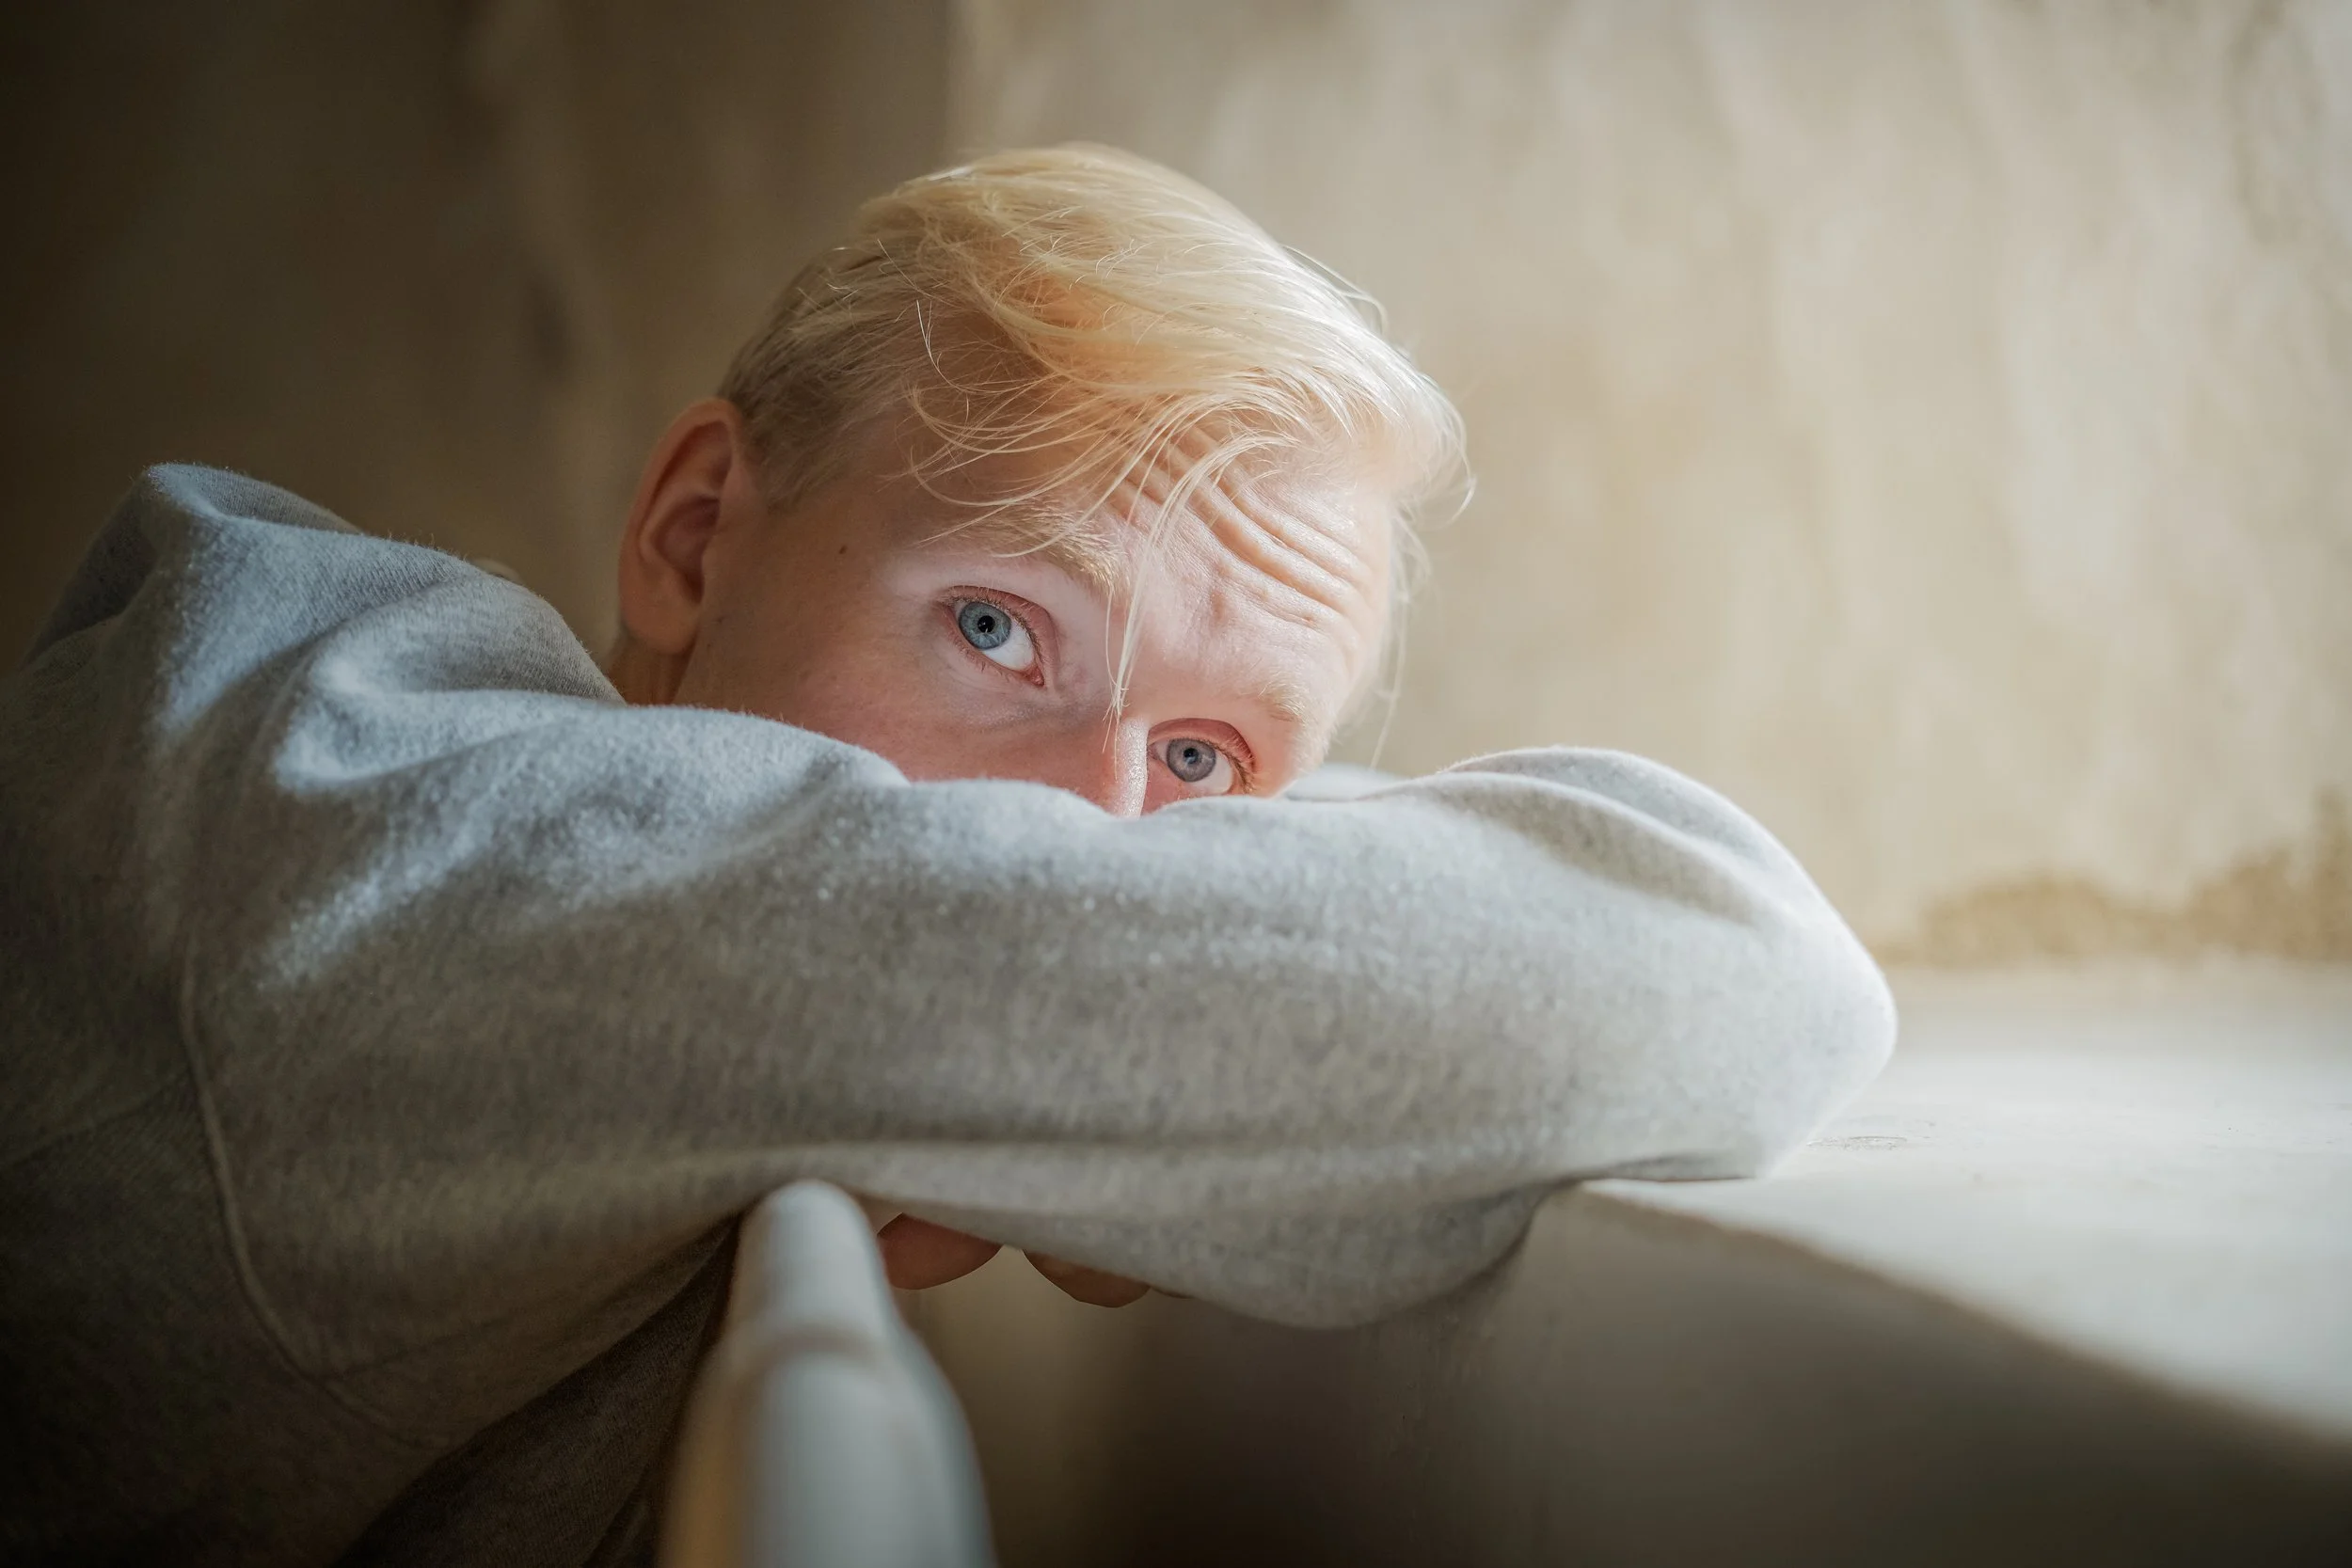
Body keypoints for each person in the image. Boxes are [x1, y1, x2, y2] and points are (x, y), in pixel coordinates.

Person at [0, 146, 1894, 1566]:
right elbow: (1723, 965)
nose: (1084, 829)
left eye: (1206, 760)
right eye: (997, 627)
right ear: (691, 533)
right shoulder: (375, 819)